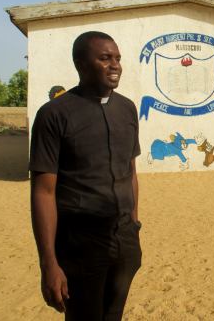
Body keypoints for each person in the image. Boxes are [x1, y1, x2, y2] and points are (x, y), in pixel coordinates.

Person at [30, 31, 142, 320]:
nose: (115, 64)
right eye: (104, 58)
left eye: (117, 58)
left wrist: (134, 224)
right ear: (81, 65)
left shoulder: (127, 109)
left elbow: (130, 171)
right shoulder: (54, 115)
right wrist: (49, 263)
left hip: (124, 239)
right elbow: (43, 192)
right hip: (80, 244)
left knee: (113, 314)